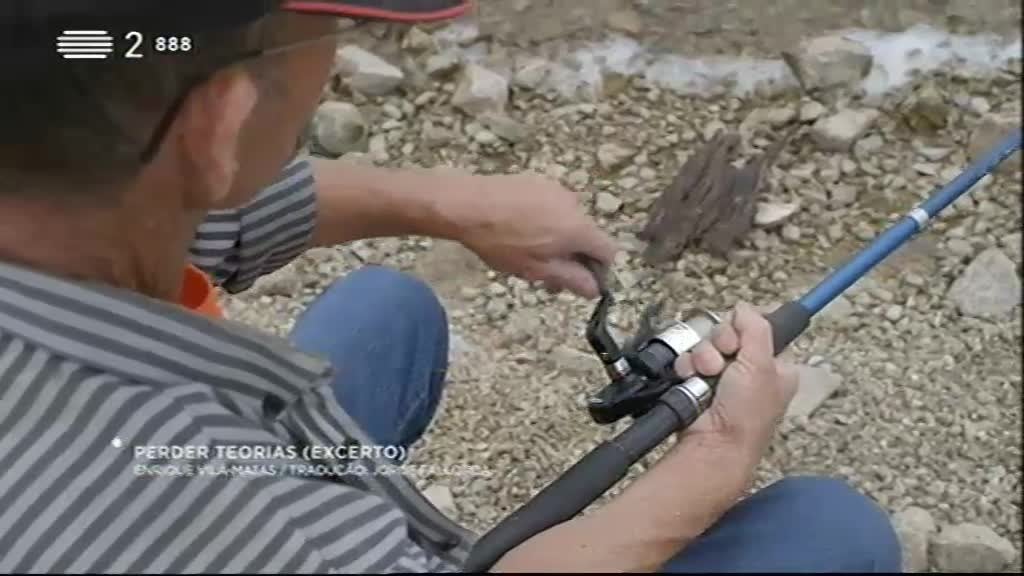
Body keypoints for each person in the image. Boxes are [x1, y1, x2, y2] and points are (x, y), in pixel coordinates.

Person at [0, 0, 902, 572]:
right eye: (324, 34)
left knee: (385, 309)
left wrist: (450, 204)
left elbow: (189, 201)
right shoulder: (184, 510)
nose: (337, 57)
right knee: (830, 531)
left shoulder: (50, 184)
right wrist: (718, 456)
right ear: (218, 122)